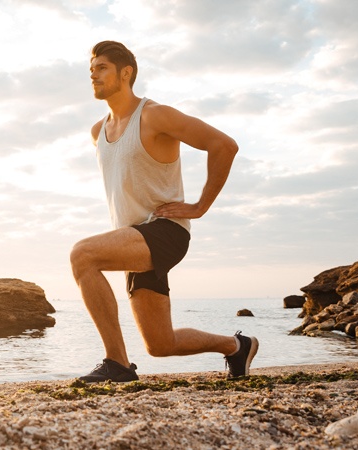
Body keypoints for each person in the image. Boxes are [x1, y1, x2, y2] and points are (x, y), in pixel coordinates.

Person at [70, 40, 258, 382]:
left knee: (83, 255)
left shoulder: (155, 116)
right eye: (91, 70)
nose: (93, 76)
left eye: (102, 68)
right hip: (133, 237)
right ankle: (237, 346)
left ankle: (117, 365)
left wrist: (200, 206)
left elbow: (224, 145)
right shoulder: (98, 132)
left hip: (165, 232)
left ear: (125, 73)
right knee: (160, 343)